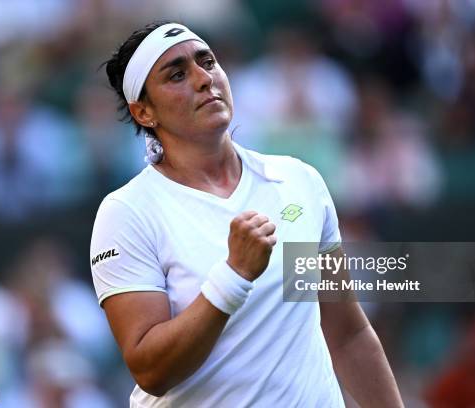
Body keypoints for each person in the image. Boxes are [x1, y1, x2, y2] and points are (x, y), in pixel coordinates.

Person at [90, 21, 403, 407]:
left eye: (207, 62)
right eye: (177, 74)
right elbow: (152, 371)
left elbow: (347, 334)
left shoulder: (297, 180)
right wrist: (234, 276)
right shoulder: (126, 212)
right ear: (144, 113)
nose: (204, 79)